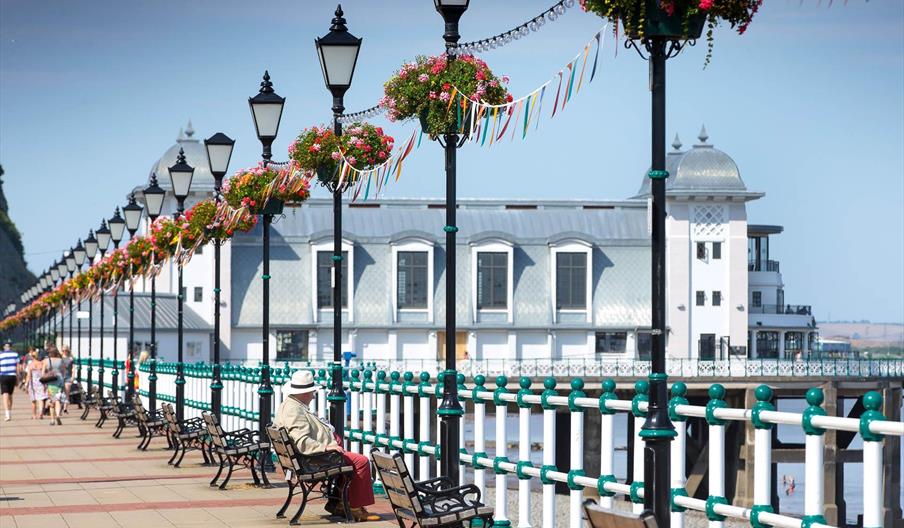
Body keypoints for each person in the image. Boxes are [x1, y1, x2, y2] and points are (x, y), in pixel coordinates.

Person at [274, 370, 379, 522]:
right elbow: (302, 441)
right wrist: (326, 447)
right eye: (312, 392)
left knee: (350, 461)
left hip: (303, 459)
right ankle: (355, 508)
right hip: (311, 461)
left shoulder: (290, 404)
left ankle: (341, 504)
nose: (313, 395)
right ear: (304, 393)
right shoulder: (294, 410)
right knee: (361, 461)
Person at [43, 348, 66, 425]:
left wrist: (44, 383)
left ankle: (52, 420)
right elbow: (64, 371)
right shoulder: (60, 360)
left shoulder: (46, 361)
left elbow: (43, 373)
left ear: (49, 353)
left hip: (50, 382)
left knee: (52, 401)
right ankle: (58, 415)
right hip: (59, 381)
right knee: (58, 400)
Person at [23, 347, 47, 419]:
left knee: (33, 400)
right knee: (41, 399)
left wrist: (26, 384)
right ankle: (41, 414)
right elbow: (44, 373)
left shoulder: (31, 365)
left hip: (33, 384)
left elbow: (29, 375)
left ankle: (34, 415)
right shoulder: (42, 364)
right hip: (41, 383)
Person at [0, 341, 19, 421]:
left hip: (3, 376)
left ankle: (7, 414)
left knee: (5, 394)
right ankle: (9, 412)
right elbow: (18, 367)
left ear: (4, 347)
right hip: (12, 376)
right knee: (10, 395)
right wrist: (18, 378)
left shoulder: (0, 355)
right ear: (10, 347)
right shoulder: (15, 354)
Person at [59, 345, 74, 413]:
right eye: (63, 350)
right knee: (60, 393)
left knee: (67, 393)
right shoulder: (59, 358)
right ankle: (60, 406)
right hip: (60, 377)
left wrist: (72, 377)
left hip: (68, 377)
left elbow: (74, 369)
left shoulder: (71, 359)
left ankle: (65, 408)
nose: (64, 352)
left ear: (68, 351)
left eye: (65, 350)